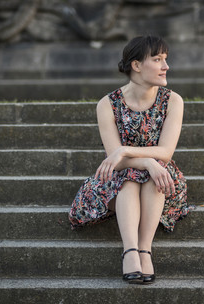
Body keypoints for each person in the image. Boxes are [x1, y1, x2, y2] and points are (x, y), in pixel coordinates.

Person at [68, 35, 195, 285]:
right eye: (157, 59)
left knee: (155, 171)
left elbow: (166, 152)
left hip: (161, 181)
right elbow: (118, 162)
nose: (165, 66)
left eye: (165, 59)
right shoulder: (107, 104)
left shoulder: (173, 101)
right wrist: (146, 161)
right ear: (136, 65)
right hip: (117, 181)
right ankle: (131, 250)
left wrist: (126, 150)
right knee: (132, 177)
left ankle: (144, 249)